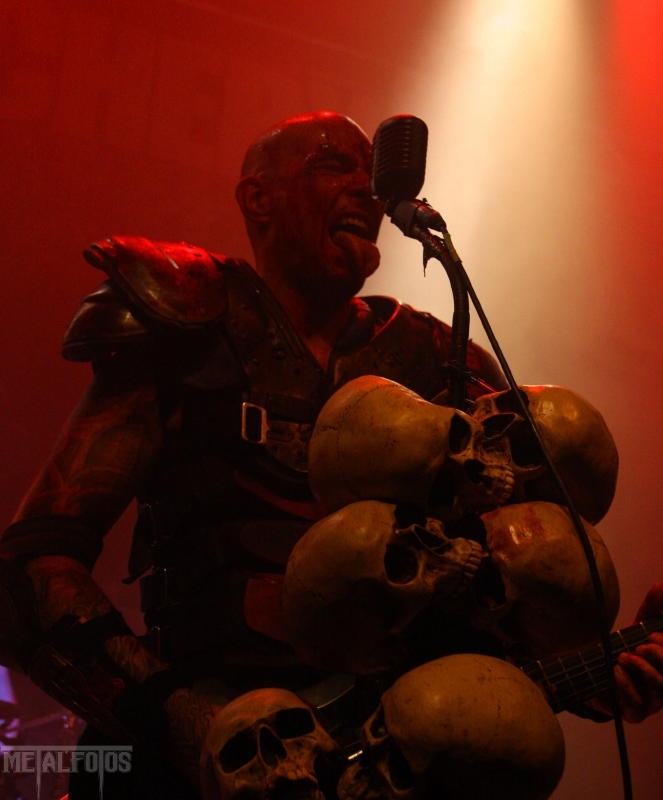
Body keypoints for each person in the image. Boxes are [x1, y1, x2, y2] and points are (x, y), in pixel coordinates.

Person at [0, 111, 661, 799]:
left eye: (370, 174)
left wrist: (596, 669)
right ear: (257, 198)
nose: (366, 190)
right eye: (332, 165)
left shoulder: (437, 357)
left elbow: (505, 592)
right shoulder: (187, 318)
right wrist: (191, 726)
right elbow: (31, 570)